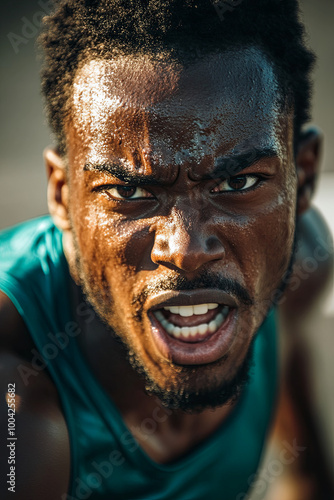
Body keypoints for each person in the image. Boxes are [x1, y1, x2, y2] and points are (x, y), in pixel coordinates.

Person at [0, 0, 333, 498]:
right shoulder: (16, 397)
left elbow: (303, 474)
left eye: (238, 181)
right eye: (130, 192)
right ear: (62, 193)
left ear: (302, 177)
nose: (184, 251)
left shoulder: (299, 267)